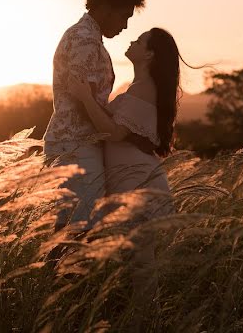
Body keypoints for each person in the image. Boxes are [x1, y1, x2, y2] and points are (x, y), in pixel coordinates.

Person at [69, 27, 183, 319]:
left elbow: (114, 132)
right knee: (137, 268)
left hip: (138, 183)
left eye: (140, 40)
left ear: (149, 54)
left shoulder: (144, 88)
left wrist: (84, 97)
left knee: (142, 269)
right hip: (132, 181)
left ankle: (147, 324)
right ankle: (141, 322)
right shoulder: (138, 86)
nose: (132, 40)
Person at [43, 0, 146, 231]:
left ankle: (62, 273)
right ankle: (64, 274)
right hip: (76, 145)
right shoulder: (85, 40)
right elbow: (83, 99)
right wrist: (116, 127)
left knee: (73, 228)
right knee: (77, 230)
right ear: (107, 7)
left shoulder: (84, 37)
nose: (124, 25)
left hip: (74, 144)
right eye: (124, 16)